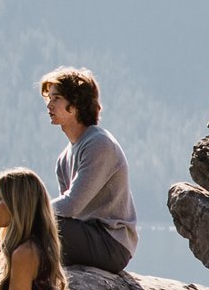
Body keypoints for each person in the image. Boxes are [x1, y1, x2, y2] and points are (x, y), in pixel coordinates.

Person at [41, 67, 138, 273]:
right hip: (86, 236)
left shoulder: (99, 144)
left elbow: (71, 206)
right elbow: (66, 213)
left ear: (75, 105)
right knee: (15, 224)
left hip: (111, 243)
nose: (49, 104)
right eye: (48, 98)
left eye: (56, 98)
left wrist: (29, 210)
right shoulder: (63, 158)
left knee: (28, 220)